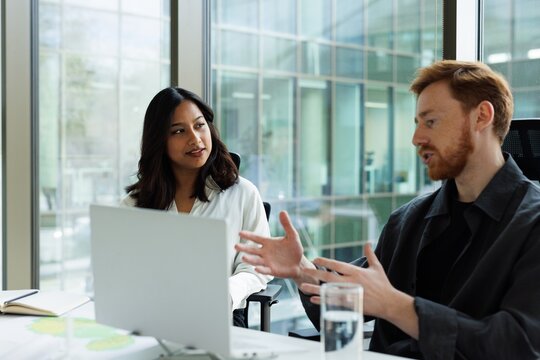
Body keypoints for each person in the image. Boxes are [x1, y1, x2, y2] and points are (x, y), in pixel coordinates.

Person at [236, 60, 540, 359]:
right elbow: (353, 296)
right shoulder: (409, 219)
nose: (416, 138)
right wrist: (301, 271)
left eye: (431, 121)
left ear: (481, 117)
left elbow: (519, 345)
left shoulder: (532, 225)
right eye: (417, 124)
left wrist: (395, 306)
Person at [123, 86, 271, 327]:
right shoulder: (136, 204)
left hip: (219, 320)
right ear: (159, 141)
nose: (195, 138)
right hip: (153, 319)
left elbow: (256, 268)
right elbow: (123, 272)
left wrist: (225, 293)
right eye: (179, 131)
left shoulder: (243, 194)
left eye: (199, 125)